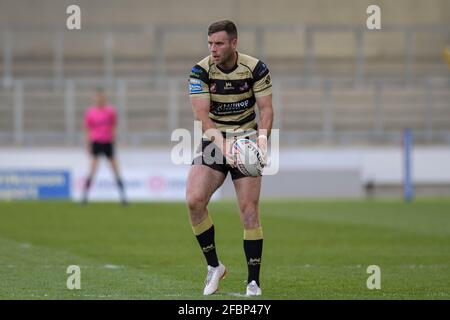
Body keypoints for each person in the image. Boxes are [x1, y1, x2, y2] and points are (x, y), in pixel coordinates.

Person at [187, 20, 274, 296]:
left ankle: (253, 282)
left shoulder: (255, 68)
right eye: (210, 43)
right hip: (215, 140)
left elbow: (267, 110)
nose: (213, 49)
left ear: (233, 44)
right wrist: (224, 146)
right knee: (194, 200)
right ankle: (214, 267)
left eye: (219, 43)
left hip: (247, 139)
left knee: (249, 212)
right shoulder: (200, 71)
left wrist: (261, 142)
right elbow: (201, 115)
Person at [81, 88, 127, 206]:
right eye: (97, 97)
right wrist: (88, 144)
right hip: (96, 142)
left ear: (104, 98)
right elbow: (87, 129)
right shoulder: (90, 113)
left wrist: (114, 138)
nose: (99, 99)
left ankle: (123, 197)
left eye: (101, 97)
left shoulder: (110, 111)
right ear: (95, 99)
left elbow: (114, 126)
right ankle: (84, 196)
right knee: (92, 169)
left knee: (115, 169)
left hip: (107, 142)